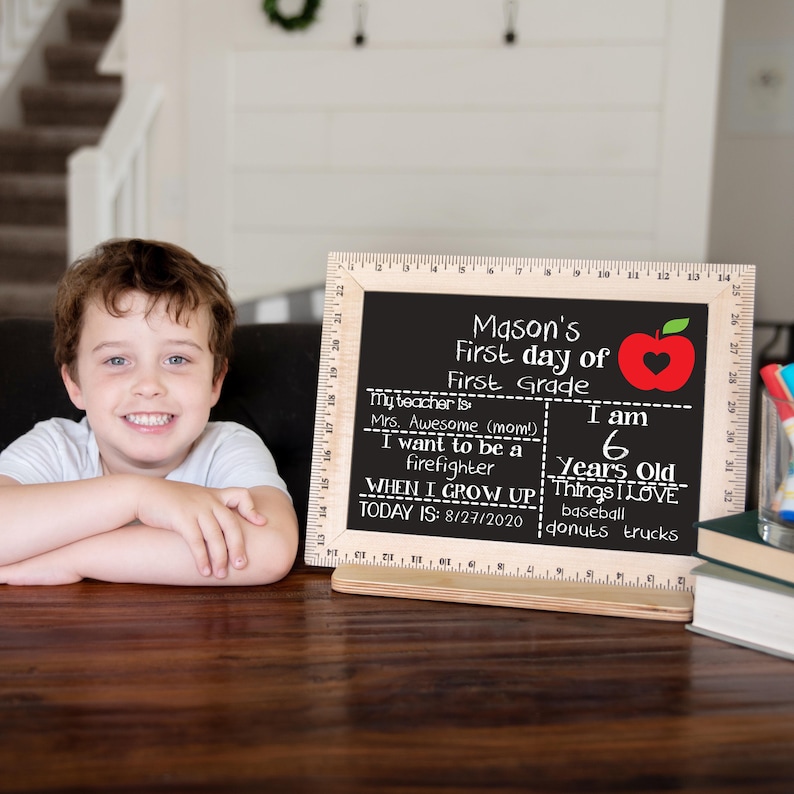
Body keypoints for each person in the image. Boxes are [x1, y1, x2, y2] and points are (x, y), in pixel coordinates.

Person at [0, 238, 299, 586]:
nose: (148, 385)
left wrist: (73, 559)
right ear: (75, 384)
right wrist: (139, 497)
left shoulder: (226, 447)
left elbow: (271, 548)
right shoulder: (55, 445)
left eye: (176, 359)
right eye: (117, 360)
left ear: (215, 381)